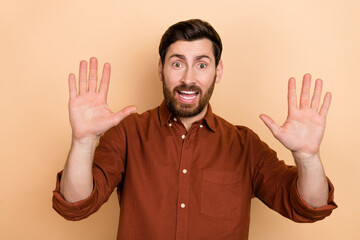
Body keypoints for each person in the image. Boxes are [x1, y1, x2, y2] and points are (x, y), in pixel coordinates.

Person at [52, 19, 337, 240]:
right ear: (161, 68)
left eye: (202, 64)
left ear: (218, 71)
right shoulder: (128, 133)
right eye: (177, 63)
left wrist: (308, 157)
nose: (188, 78)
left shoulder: (245, 145)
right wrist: (83, 141)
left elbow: (307, 207)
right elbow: (75, 205)